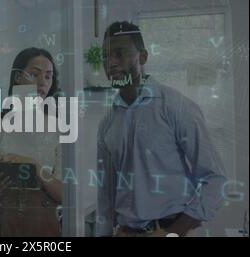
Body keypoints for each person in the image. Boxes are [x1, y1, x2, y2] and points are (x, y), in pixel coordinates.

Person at [96, 21, 228, 237]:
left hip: (172, 229)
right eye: (105, 56)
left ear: (143, 57)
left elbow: (215, 179)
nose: (111, 63)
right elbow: (105, 192)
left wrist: (173, 232)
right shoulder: (107, 123)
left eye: (119, 54)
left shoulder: (176, 107)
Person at [0, 47, 62, 236]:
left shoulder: (58, 128)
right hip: (0, 222)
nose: (42, 82)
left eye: (48, 76)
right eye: (34, 74)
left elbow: (64, 194)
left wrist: (35, 167)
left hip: (42, 223)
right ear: (17, 78)